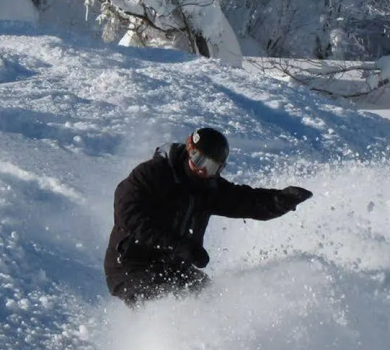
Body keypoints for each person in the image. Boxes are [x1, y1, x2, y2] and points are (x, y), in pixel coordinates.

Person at [104, 127, 312, 306]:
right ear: (189, 149)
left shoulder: (208, 188)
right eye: (198, 159)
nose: (202, 170)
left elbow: (244, 200)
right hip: (130, 264)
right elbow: (130, 216)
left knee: (212, 299)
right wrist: (179, 245)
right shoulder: (152, 174)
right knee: (164, 301)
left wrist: (280, 200)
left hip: (173, 266)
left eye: (211, 166)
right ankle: (156, 349)